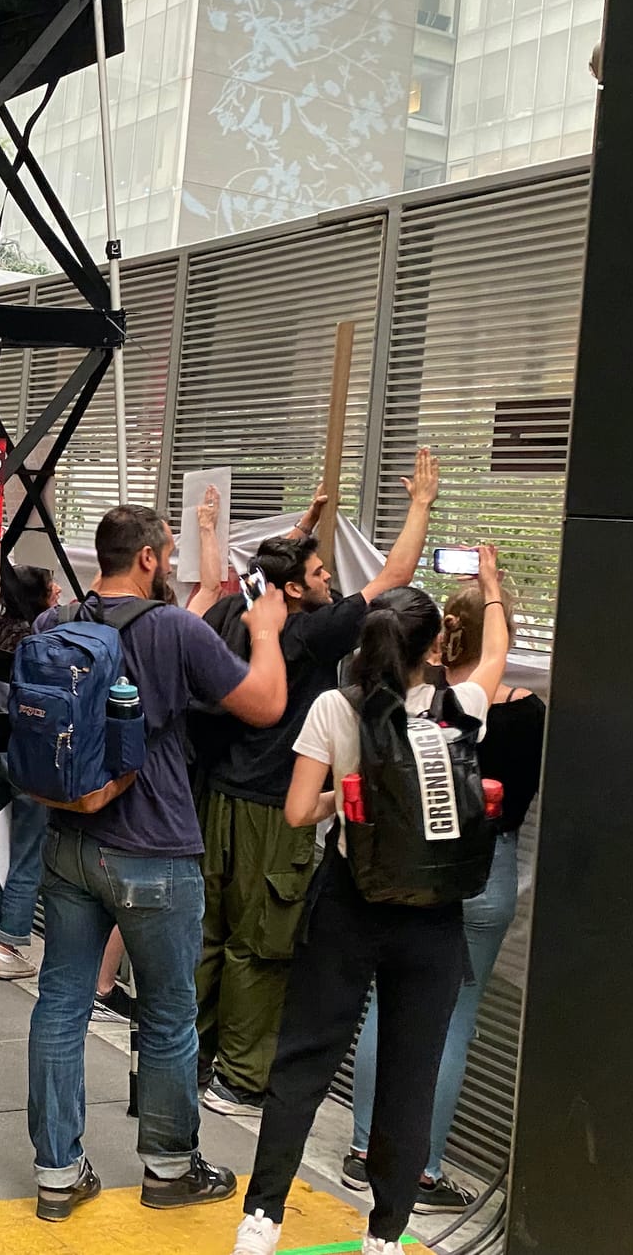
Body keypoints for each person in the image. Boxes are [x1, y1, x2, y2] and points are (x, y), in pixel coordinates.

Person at [228, 549, 508, 1255]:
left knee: (304, 1061)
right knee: (411, 1078)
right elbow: (496, 654)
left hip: (350, 905)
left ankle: (262, 1219)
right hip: (433, 923)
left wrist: (348, 803)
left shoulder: (336, 707)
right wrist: (490, 586)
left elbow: (297, 813)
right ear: (435, 648)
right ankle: (385, 1235)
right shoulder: (462, 708)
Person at [27, 505, 289, 1224]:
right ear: (146, 557)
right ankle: (170, 1169)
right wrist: (266, 632)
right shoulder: (173, 630)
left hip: (70, 841)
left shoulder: (55, 623)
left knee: (60, 1004)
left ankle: (57, 1173)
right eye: (167, 551)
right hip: (155, 853)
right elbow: (266, 704)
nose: (169, 562)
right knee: (170, 1014)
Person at [195, 450, 439, 1120]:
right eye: (320, 572)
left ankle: (189, 1056)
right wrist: (420, 504)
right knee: (260, 945)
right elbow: (395, 577)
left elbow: (264, 568)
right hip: (273, 809)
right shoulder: (311, 632)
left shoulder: (242, 612)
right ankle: (240, 1080)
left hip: (220, 801)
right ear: (296, 591)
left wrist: (303, 526)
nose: (330, 578)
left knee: (210, 937)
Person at [341, 575, 543, 1214]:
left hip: (407, 862)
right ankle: (421, 1171)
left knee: (385, 1003)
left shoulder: (411, 700)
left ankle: (363, 1149)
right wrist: (495, 591)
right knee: (452, 1018)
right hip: (482, 869)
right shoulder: (517, 711)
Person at [0, 563, 60, 982]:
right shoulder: (42, 641)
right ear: (38, 596)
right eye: (51, 586)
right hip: (26, 753)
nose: (58, 591)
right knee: (26, 851)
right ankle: (9, 946)